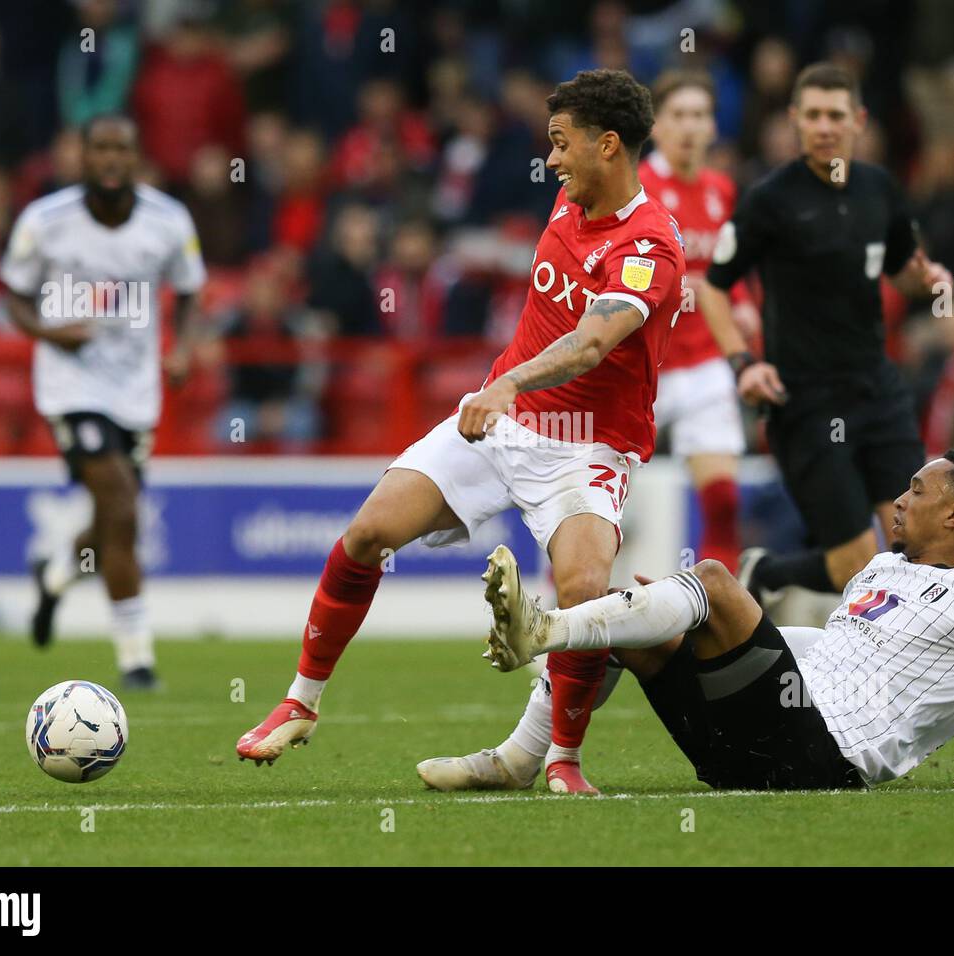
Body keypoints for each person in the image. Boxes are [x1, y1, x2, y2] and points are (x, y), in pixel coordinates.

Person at [236, 70, 686, 796]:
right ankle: (301, 701)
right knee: (365, 536)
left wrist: (508, 382)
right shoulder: (569, 202)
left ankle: (562, 761)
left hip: (585, 446)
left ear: (609, 146)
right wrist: (506, 392)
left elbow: (591, 344)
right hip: (502, 425)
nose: (552, 160)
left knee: (582, 592)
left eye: (563, 144)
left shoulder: (649, 247)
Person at [481, 450, 954, 794]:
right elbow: (821, 651)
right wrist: (683, 622)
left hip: (822, 757)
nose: (899, 499)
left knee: (715, 580)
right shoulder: (879, 570)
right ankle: (521, 758)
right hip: (739, 753)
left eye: (917, 491)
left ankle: (544, 630)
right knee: (624, 623)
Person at [696, 62, 951, 615]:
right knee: (856, 570)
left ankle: (905, 685)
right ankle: (767, 570)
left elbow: (904, 269)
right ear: (794, 120)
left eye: (836, 115)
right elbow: (713, 288)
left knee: (920, 550)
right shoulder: (770, 200)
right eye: (812, 115)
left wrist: (929, 279)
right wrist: (744, 364)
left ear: (858, 121)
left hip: (879, 394)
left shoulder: (881, 190)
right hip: (806, 403)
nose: (824, 126)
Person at [0, 114, 207, 690]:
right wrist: (47, 332)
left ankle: (58, 575)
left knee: (112, 517)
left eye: (122, 149)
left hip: (137, 391)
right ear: (82, 157)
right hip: (70, 386)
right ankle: (136, 659)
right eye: (101, 149)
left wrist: (184, 347)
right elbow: (13, 293)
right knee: (120, 502)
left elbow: (189, 291)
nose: (111, 159)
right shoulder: (45, 221)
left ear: (136, 157)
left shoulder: (168, 221)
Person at [639, 69, 755, 572]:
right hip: (642, 364)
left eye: (700, 116)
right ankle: (559, 622)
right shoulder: (635, 186)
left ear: (713, 127)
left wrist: (744, 301)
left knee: (724, 502)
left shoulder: (720, 190)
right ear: (656, 127)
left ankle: (714, 632)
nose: (690, 126)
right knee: (598, 510)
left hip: (706, 360)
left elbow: (726, 268)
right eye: (679, 115)